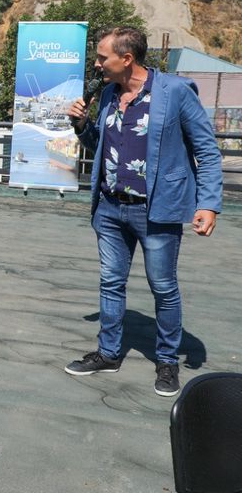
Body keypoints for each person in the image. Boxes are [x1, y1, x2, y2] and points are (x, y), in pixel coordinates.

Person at [63, 27, 222, 397]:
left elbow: (207, 150)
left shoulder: (175, 93)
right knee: (110, 283)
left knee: (163, 288)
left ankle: (167, 361)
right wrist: (81, 124)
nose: (98, 64)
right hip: (109, 208)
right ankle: (108, 353)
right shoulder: (106, 94)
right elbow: (99, 144)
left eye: (103, 58)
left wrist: (209, 204)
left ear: (127, 59)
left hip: (157, 211)